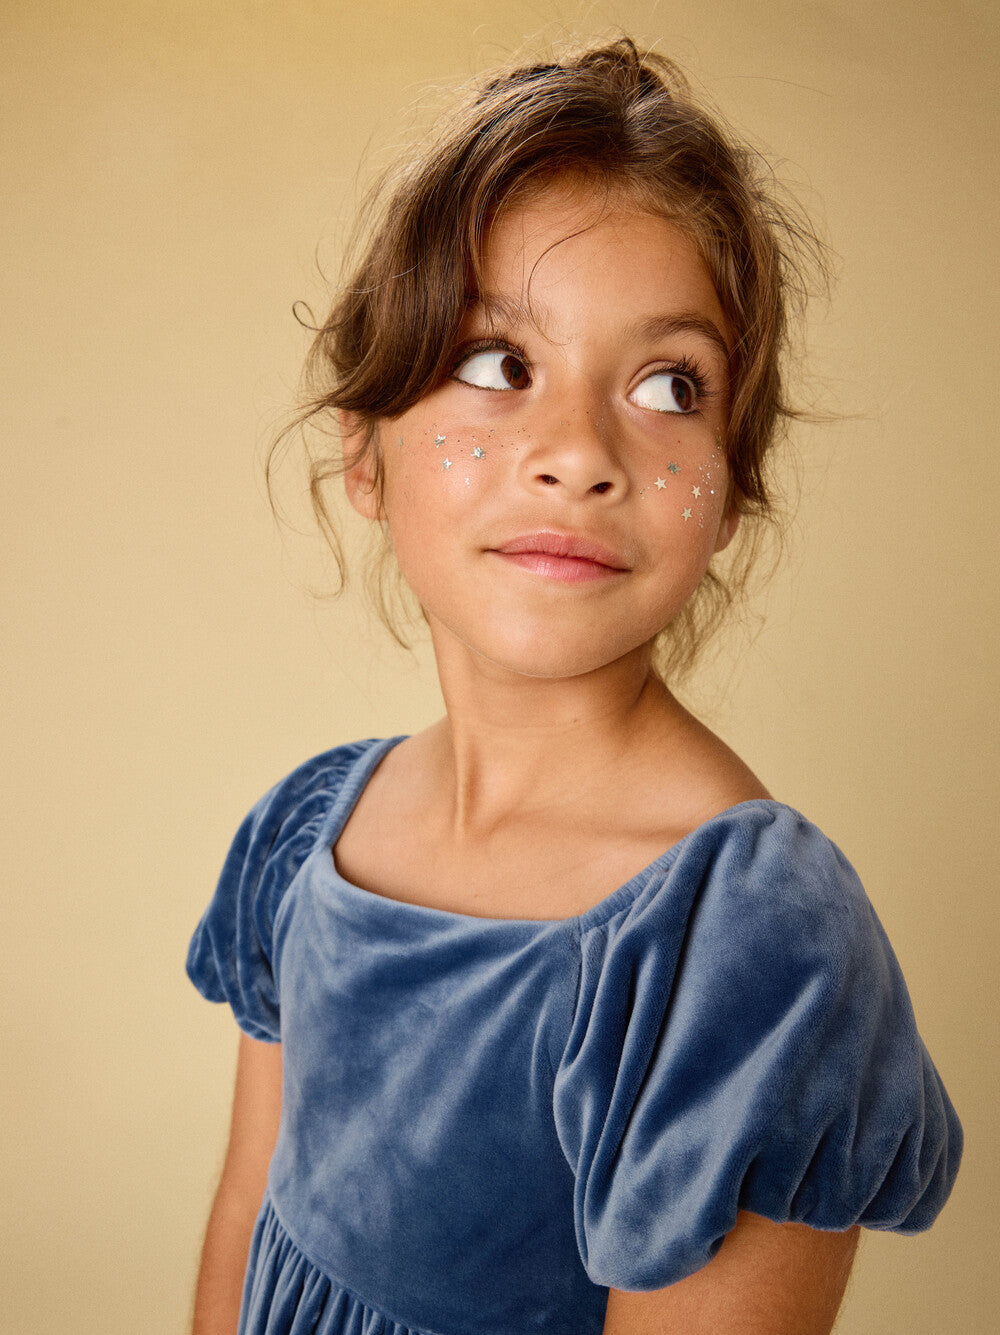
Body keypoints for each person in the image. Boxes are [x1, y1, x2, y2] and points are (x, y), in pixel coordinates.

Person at [185, 38, 962, 1335]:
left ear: (727, 493)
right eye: (498, 363)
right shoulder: (309, 833)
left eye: (668, 386)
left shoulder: (745, 951)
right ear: (362, 454)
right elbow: (242, 1226)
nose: (577, 454)